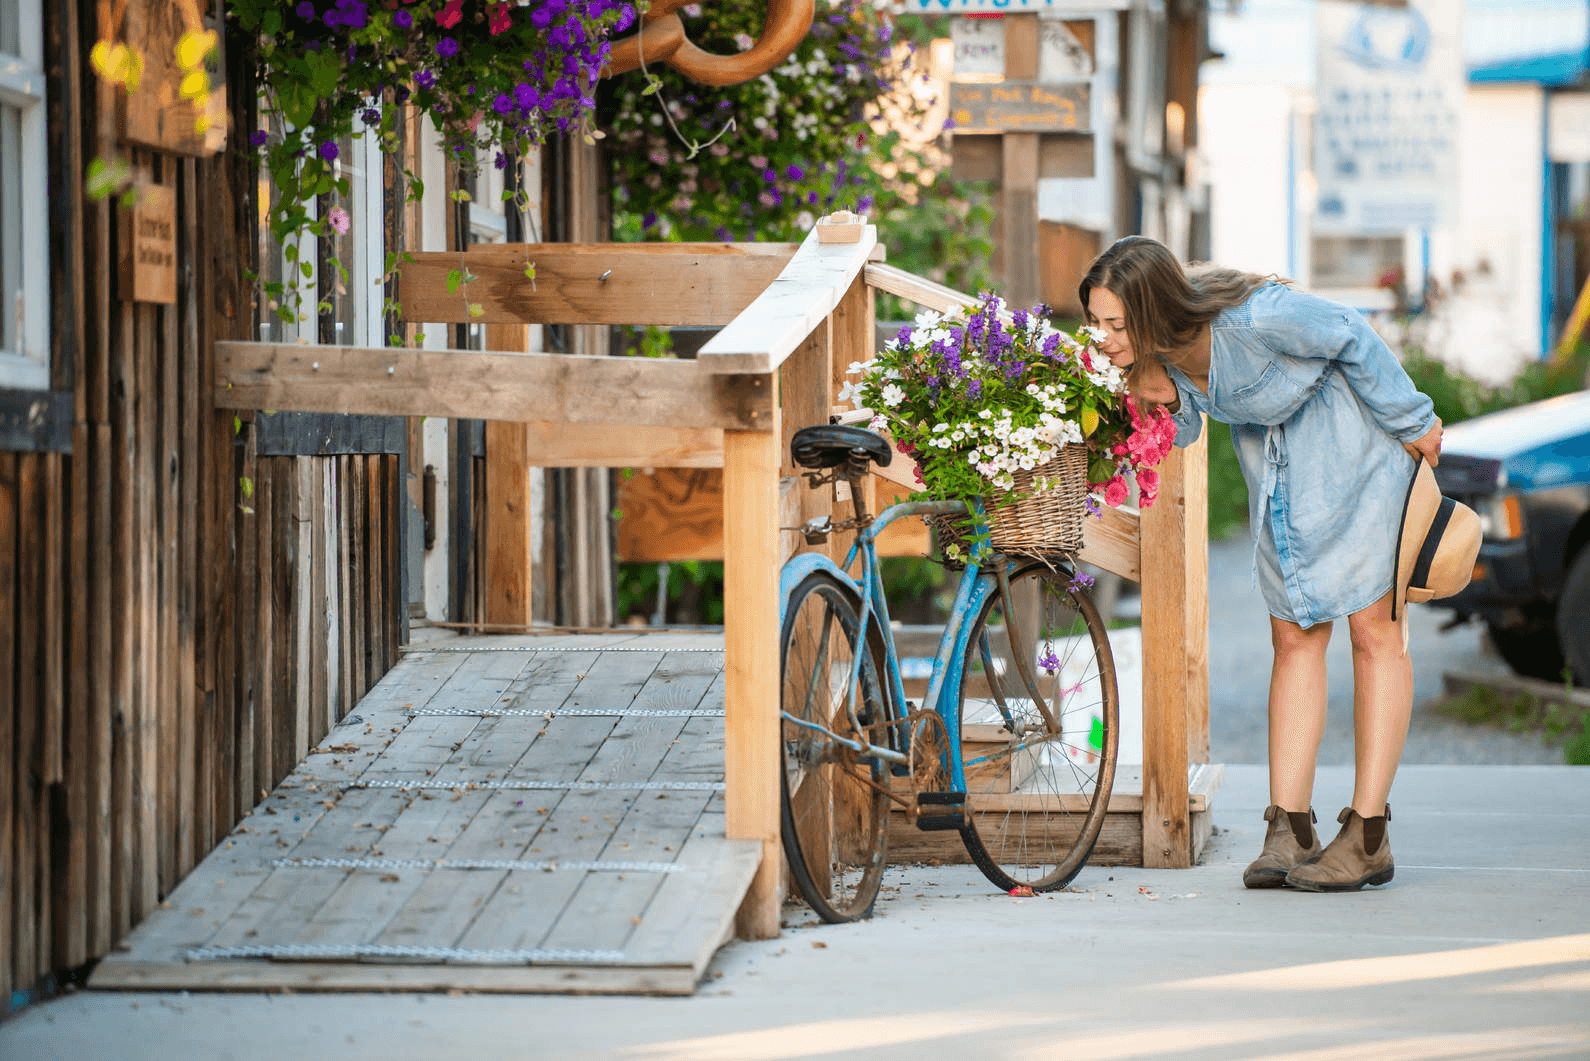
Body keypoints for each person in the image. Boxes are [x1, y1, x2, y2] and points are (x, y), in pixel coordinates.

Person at [1080, 236, 1443, 892]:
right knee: (1293, 635)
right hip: (1281, 477)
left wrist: (1413, 418)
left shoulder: (1256, 317)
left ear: (1155, 307)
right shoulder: (1156, 356)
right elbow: (1185, 430)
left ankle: (1368, 835)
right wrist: (1146, 396)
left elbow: (1350, 332)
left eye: (1115, 323)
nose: (1103, 337)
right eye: (1096, 323)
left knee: (1374, 632)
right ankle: (1289, 827)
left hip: (1356, 454)